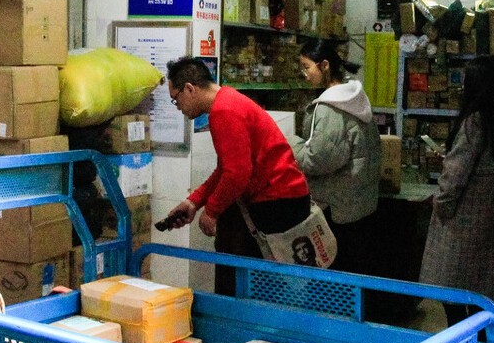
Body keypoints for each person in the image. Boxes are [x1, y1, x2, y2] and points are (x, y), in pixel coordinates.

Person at [161, 58, 310, 286]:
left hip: (277, 201)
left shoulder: (224, 111)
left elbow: (237, 173)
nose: (178, 107)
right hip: (283, 196)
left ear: (190, 89)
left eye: (176, 99)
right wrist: (194, 202)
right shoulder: (228, 99)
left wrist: (212, 211)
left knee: (249, 277)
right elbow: (227, 168)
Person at [420, 55, 494, 326]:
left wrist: (441, 205)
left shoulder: (474, 122)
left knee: (453, 297)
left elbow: (454, 176)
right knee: (481, 300)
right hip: (491, 224)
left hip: (462, 225)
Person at [292, 39, 381, 277]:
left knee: (335, 276)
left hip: (337, 208)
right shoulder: (355, 98)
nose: (304, 74)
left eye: (306, 67)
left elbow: (317, 160)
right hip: (358, 204)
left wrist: (290, 143)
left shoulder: (330, 108)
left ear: (324, 65)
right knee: (354, 275)